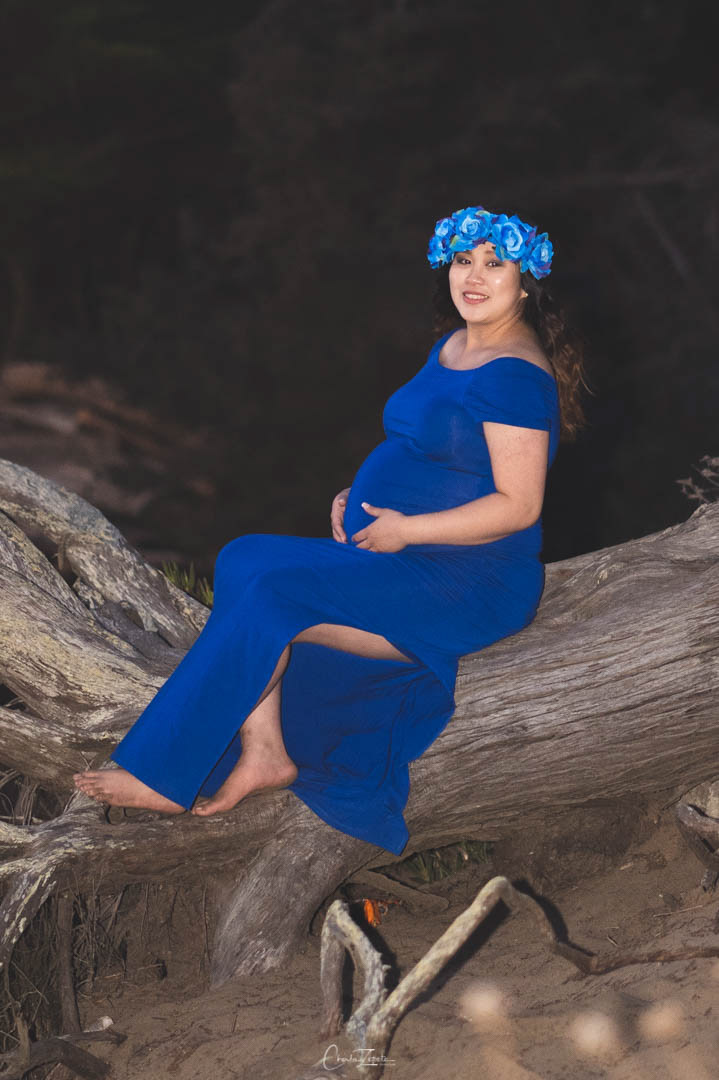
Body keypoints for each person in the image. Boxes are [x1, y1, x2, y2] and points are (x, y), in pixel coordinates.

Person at [74, 205, 585, 855]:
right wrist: (360, 495)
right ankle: (265, 751)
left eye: (494, 264)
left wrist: (408, 528)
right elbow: (425, 448)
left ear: (525, 283)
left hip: (469, 579)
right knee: (244, 557)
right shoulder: (456, 344)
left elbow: (518, 505)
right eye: (463, 260)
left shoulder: (515, 375)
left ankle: (164, 773)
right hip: (404, 551)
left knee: (271, 593)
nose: (474, 277)